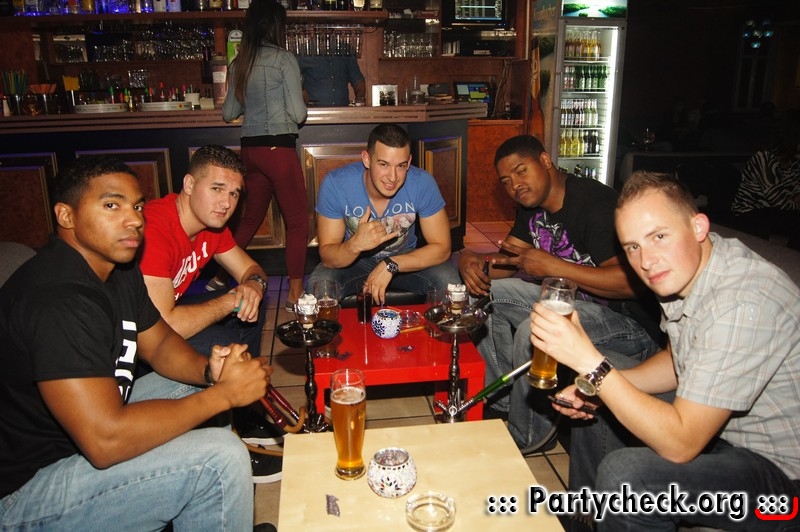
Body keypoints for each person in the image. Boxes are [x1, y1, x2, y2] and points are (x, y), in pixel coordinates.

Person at [0, 155, 273, 530]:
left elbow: (158, 344)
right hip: (25, 491)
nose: (134, 219)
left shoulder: (117, 268)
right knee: (220, 457)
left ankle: (217, 514)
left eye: (137, 206)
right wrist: (223, 395)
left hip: (79, 439)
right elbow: (105, 441)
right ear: (66, 215)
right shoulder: (58, 300)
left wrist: (211, 373)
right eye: (112, 206)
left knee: (198, 383)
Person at [533, 171, 800, 531]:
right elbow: (677, 363)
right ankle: (588, 519)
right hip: (728, 433)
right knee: (606, 387)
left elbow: (681, 444)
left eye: (659, 236)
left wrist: (591, 364)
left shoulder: (742, 301)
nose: (646, 260)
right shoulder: (690, 268)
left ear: (699, 226)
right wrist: (595, 386)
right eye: (632, 247)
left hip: (784, 478)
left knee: (629, 477)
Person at [458, 134, 659, 451]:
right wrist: (470, 260)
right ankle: (502, 401)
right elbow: (503, 265)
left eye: (521, 171)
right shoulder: (532, 206)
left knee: (537, 327)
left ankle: (529, 436)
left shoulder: (595, 206)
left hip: (628, 323)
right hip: (573, 306)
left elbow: (630, 283)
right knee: (482, 294)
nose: (515, 185)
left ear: (545, 161)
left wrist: (554, 267)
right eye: (507, 181)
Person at [216, 0, 308, 310]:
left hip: (250, 151)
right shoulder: (284, 60)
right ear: (277, 26)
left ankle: (219, 275)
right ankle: (295, 294)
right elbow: (298, 114)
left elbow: (228, 113)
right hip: (278, 149)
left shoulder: (239, 63)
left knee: (250, 217)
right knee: (297, 222)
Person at [139, 145, 269, 361]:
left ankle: (247, 375)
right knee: (225, 344)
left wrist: (253, 286)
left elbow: (251, 269)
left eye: (233, 193)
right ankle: (236, 372)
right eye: (217, 188)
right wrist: (230, 301)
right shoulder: (154, 230)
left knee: (253, 302)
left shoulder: (212, 227)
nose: (226, 203)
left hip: (166, 311)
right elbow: (162, 327)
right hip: (135, 334)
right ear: (189, 184)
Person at [307, 123, 461, 303]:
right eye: (384, 164)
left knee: (448, 281)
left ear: (409, 162)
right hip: (355, 262)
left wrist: (391, 264)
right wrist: (355, 245)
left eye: (401, 166)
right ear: (366, 159)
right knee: (321, 285)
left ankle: (443, 323)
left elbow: (442, 248)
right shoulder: (336, 184)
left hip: (405, 257)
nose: (392, 177)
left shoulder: (422, 182)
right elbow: (327, 256)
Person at [730, 112, 800, 250]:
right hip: (751, 211)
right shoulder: (764, 157)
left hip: (776, 212)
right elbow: (777, 200)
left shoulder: (794, 161)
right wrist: (794, 202)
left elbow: (796, 192)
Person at [298, 54, 366, 107]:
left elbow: (358, 80)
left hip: (342, 112)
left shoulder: (346, 51)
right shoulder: (305, 53)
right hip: (314, 113)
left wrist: (360, 99)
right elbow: (295, 82)